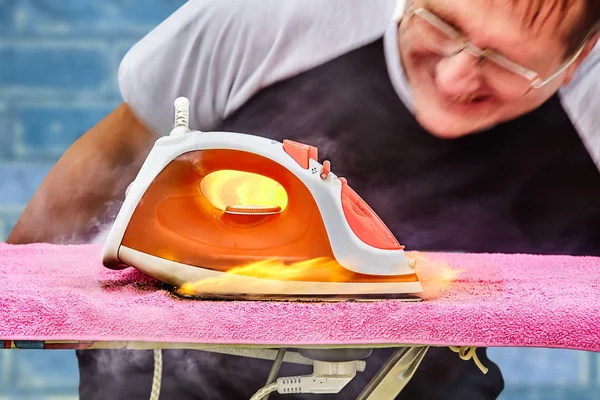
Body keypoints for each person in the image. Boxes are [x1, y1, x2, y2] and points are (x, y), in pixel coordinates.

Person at [7, 0, 600, 398]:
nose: (454, 76)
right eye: (441, 22)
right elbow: (100, 169)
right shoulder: (272, 13)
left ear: (576, 61)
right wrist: (35, 309)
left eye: (506, 62)